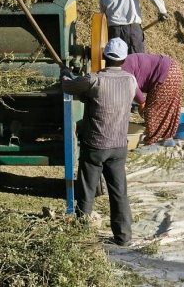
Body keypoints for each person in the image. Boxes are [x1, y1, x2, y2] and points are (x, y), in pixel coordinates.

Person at [62, 38, 138, 246]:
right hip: (119, 146)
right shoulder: (131, 81)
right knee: (119, 191)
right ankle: (123, 237)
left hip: (95, 145)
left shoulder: (94, 80)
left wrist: (65, 74)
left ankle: (81, 233)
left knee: (87, 190)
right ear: (123, 59)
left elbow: (68, 87)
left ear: (104, 56)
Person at [99, 0, 170, 54]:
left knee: (117, 64)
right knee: (137, 62)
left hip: (114, 32)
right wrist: (162, 11)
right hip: (133, 30)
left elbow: (103, 18)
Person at [121, 52, 183, 146]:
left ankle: (151, 143)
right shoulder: (129, 59)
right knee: (170, 107)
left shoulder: (123, 68)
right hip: (174, 68)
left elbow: (133, 87)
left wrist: (142, 103)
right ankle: (168, 138)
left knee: (152, 110)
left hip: (165, 73)